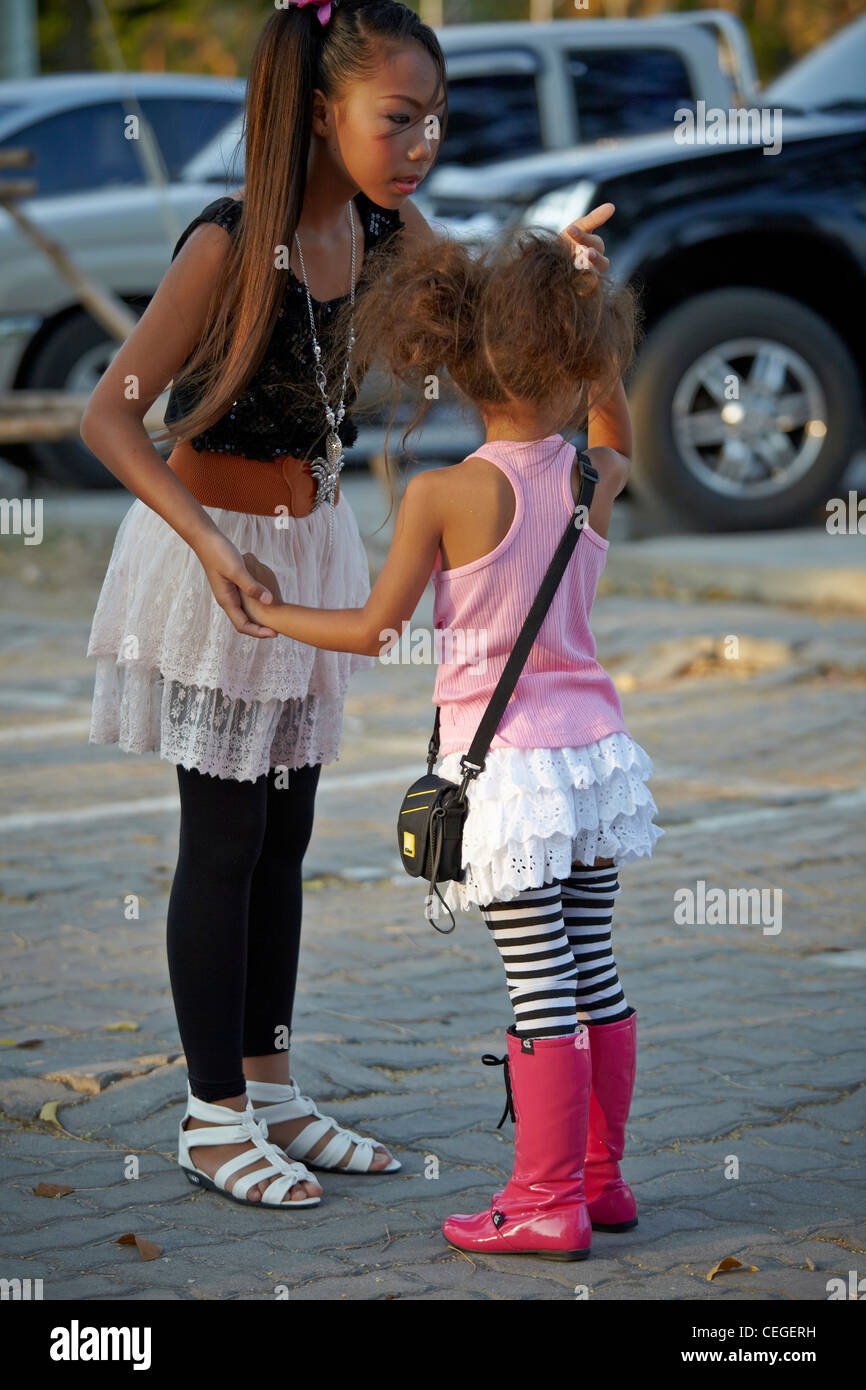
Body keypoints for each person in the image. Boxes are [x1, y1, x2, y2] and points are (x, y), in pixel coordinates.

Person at [81, 0, 454, 1209]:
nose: (419, 145)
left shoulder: (382, 228)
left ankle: (271, 1086)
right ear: (317, 111)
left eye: (432, 123)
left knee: (286, 837)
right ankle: (207, 1115)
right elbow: (109, 415)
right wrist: (199, 546)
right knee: (226, 837)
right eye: (396, 119)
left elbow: (484, 319)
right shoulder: (228, 243)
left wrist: (564, 270)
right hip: (210, 554)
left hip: (312, 550)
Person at [239, 215, 664, 1256]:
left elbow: (373, 627)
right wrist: (580, 294)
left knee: (537, 987)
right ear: (574, 356)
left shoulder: (443, 492)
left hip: (511, 777)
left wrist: (268, 611)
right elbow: (614, 429)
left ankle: (542, 1199)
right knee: (593, 968)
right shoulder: (584, 478)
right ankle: (597, 1183)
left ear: (464, 364)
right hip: (595, 761)